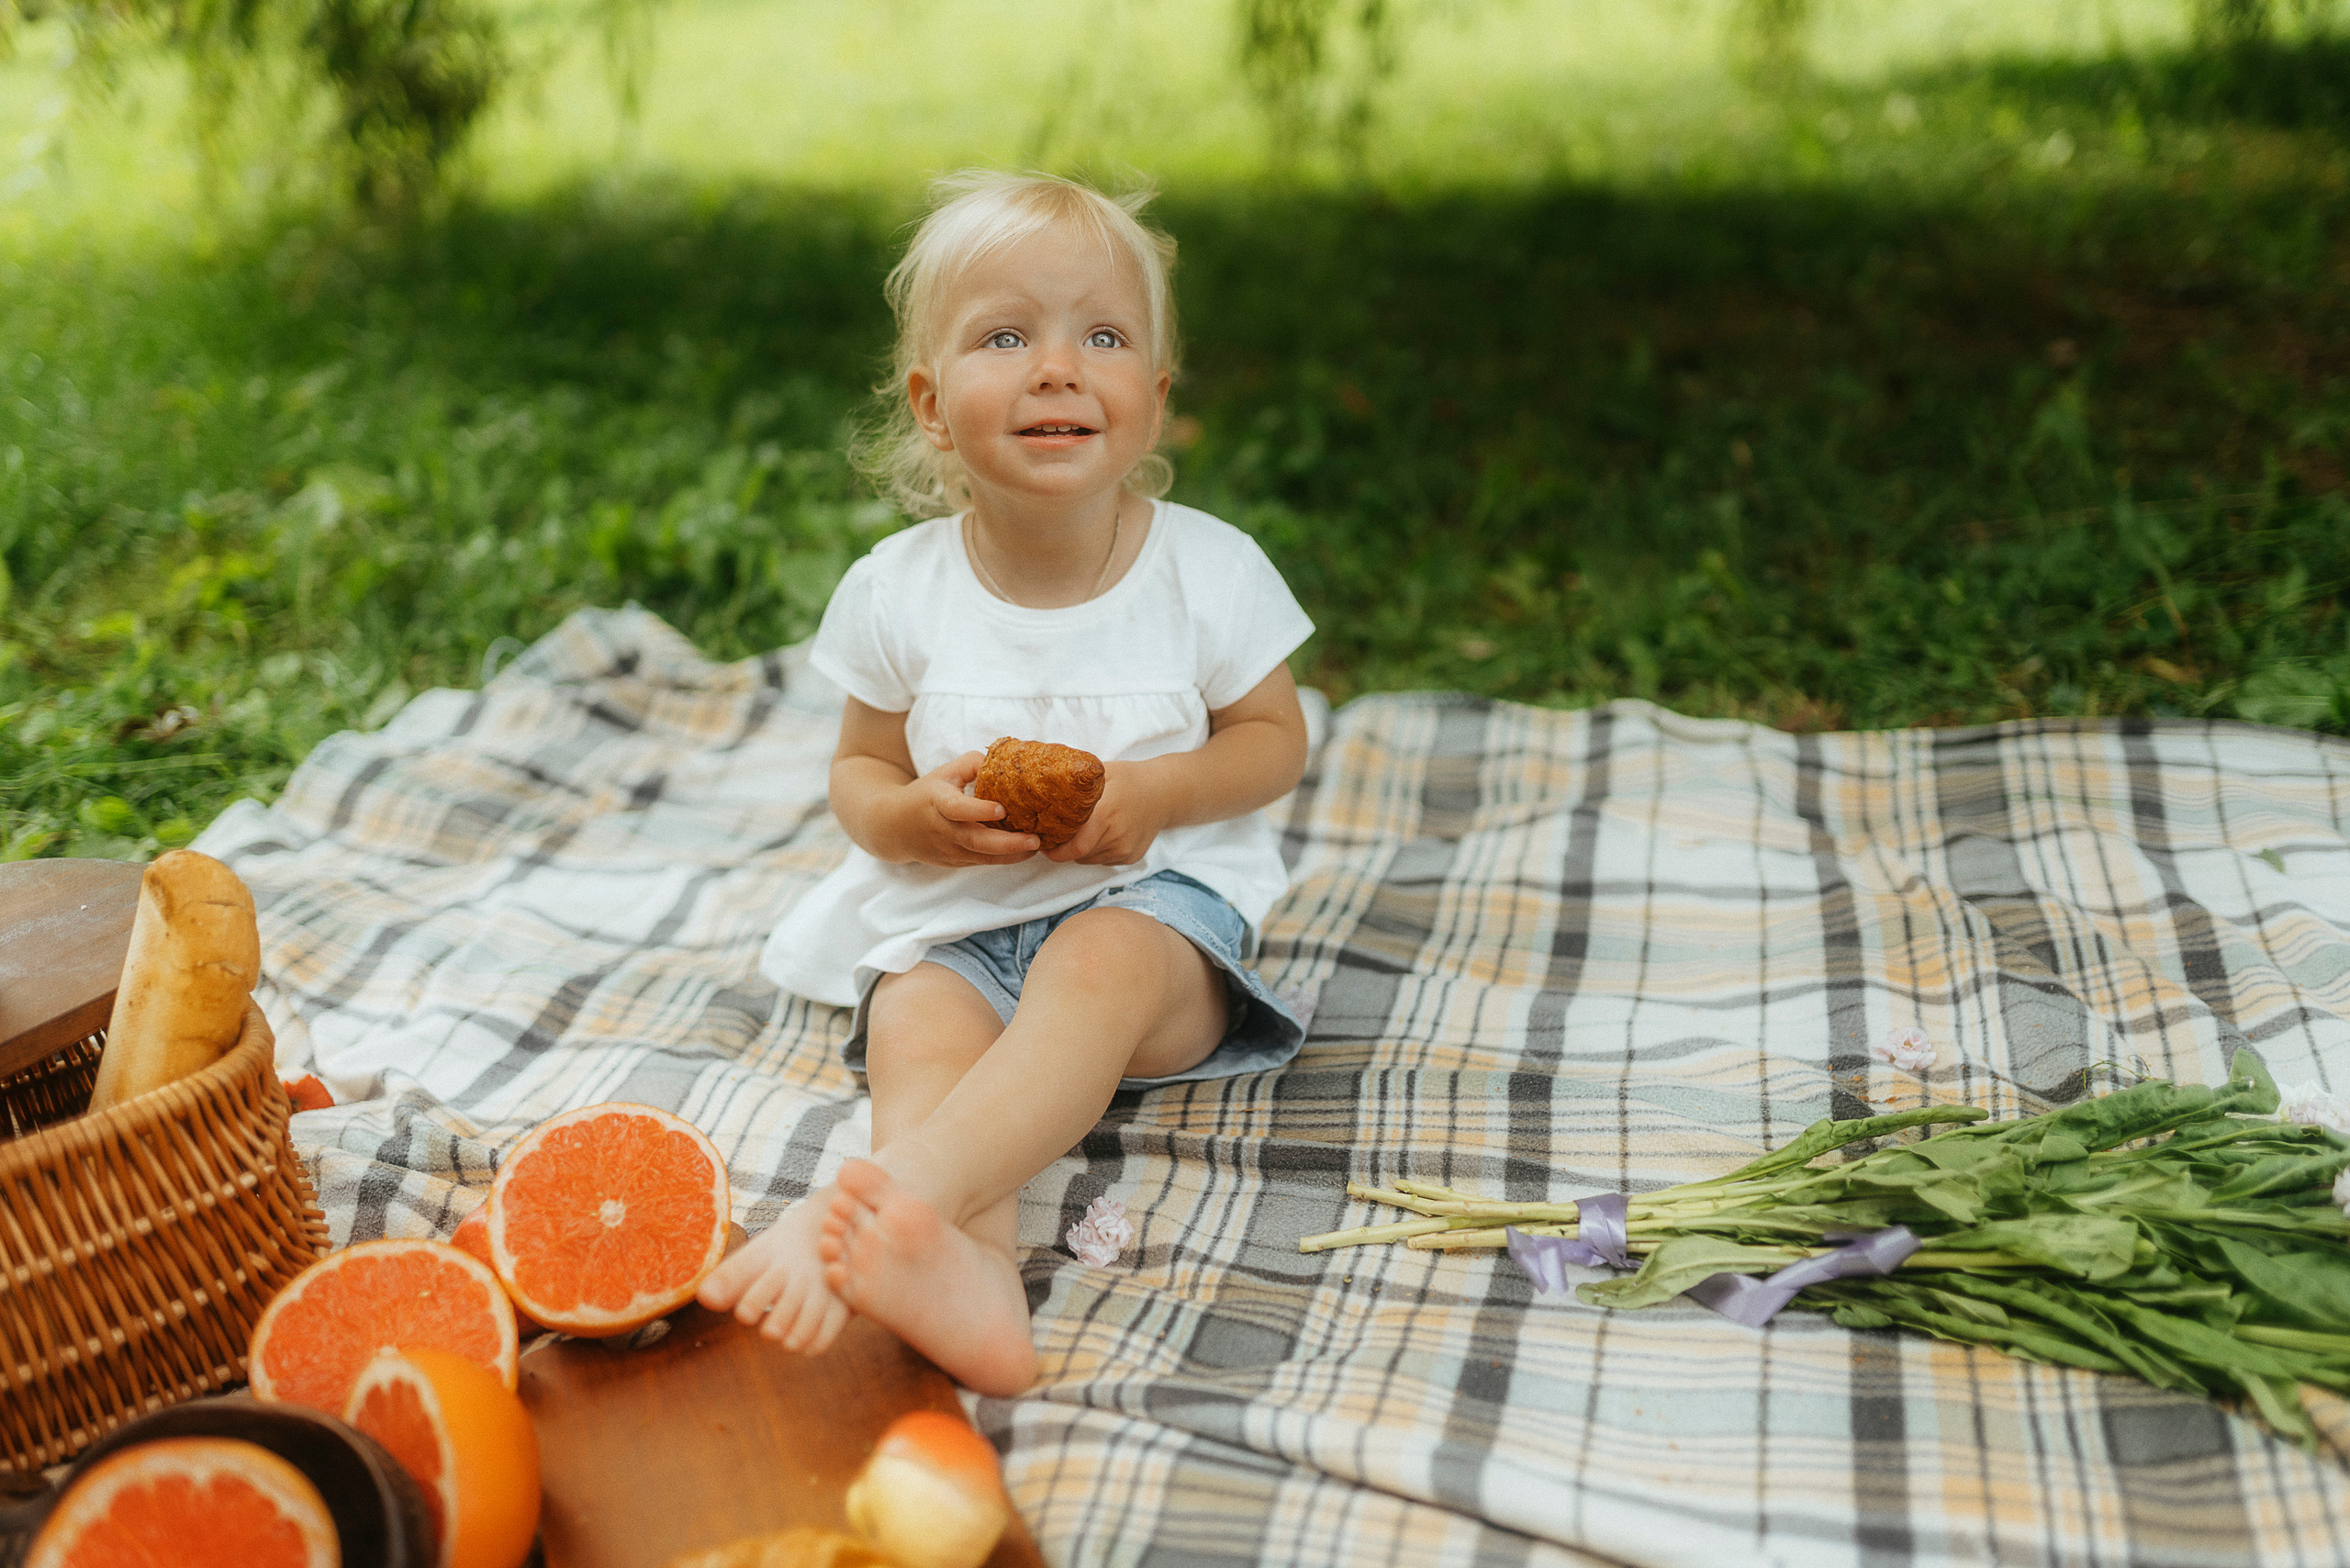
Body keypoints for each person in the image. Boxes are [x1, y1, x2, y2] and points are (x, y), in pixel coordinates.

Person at [697, 172, 1314, 1395]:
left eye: (1101, 335)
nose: (1055, 368)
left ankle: (880, 1200)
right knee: (914, 1022)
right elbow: (861, 770)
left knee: (1098, 962)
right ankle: (969, 1279)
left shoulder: (1209, 571)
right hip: (963, 928)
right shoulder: (898, 590)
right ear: (931, 405)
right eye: (1004, 335)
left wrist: (1159, 796)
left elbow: (1273, 741)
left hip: (1160, 924)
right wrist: (911, 819)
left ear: (1155, 399)